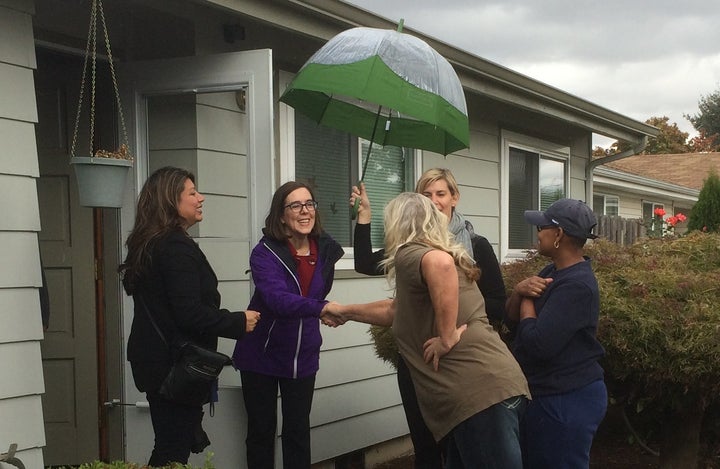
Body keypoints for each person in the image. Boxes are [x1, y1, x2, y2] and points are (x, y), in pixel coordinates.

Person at [323, 192, 530, 469]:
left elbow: (439, 264)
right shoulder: (431, 255)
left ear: (397, 223)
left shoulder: (413, 253)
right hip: (486, 393)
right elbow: (396, 310)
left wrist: (446, 338)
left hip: (479, 396)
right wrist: (345, 312)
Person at [119, 166, 260, 467]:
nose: (201, 198)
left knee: (172, 444)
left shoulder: (152, 244)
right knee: (172, 450)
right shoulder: (174, 248)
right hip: (172, 366)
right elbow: (189, 313)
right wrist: (238, 322)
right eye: (192, 193)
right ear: (171, 201)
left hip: (158, 362)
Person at [233, 181, 344, 469]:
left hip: (303, 354)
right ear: (281, 215)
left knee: (297, 432)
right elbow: (278, 300)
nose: (305, 211)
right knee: (261, 432)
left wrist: (364, 220)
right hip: (261, 354)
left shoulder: (325, 250)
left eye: (309, 204)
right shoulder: (264, 254)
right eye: (295, 205)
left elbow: (318, 294)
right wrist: (322, 308)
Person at [505, 198, 607, 468]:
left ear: (559, 234)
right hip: (547, 394)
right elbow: (512, 320)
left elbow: (538, 343)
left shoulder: (578, 286)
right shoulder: (552, 271)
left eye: (542, 227)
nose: (538, 233)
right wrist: (518, 291)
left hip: (568, 398)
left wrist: (526, 300)